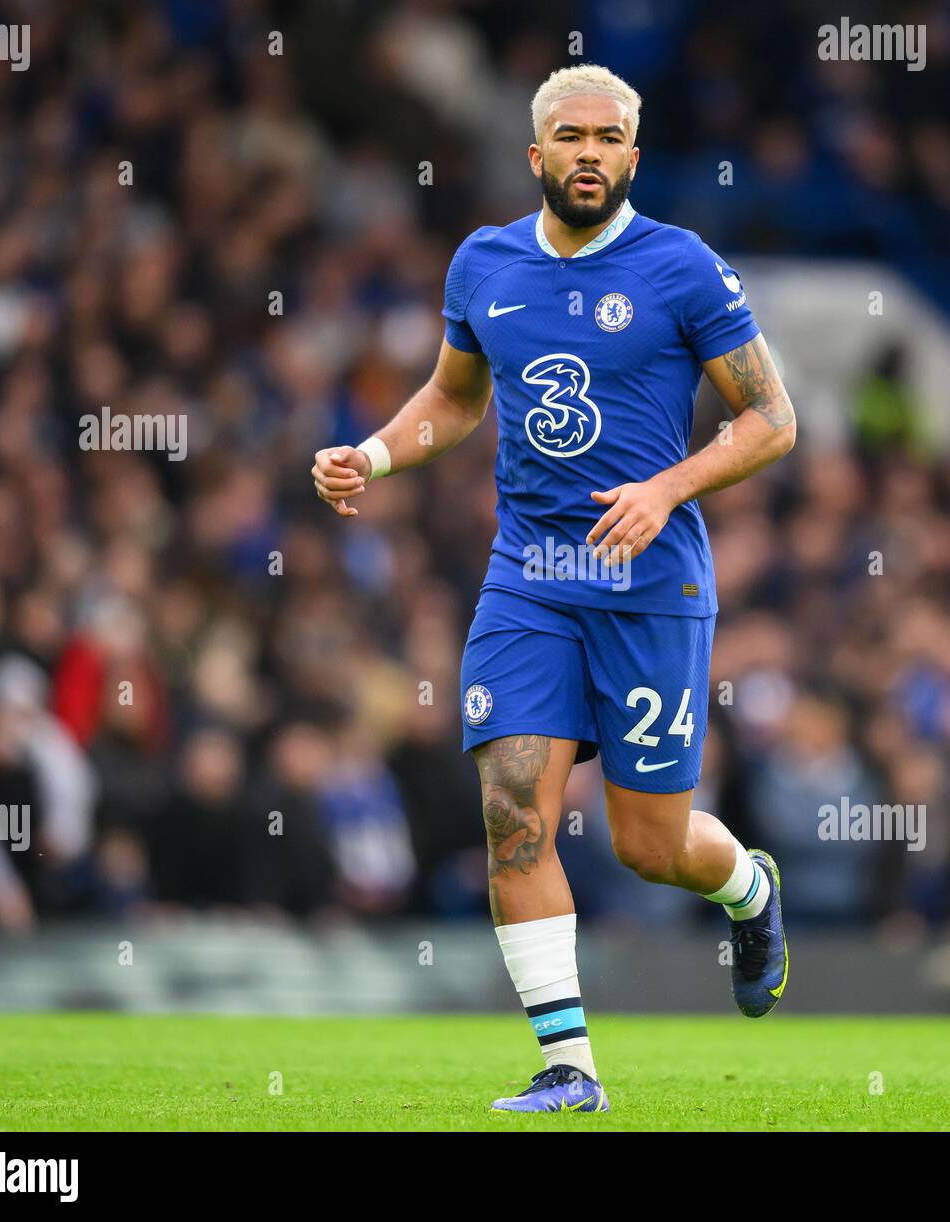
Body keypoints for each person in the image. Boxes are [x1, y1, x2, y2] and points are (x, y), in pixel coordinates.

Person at [312, 64, 796, 1114]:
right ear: (535, 156)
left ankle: (750, 889)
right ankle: (569, 1067)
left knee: (647, 844)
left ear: (633, 154)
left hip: (650, 586)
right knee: (513, 813)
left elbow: (771, 418)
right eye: (568, 136)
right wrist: (375, 456)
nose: (587, 152)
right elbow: (452, 397)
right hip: (529, 579)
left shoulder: (683, 267)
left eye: (607, 137)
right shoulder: (483, 263)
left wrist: (668, 488)